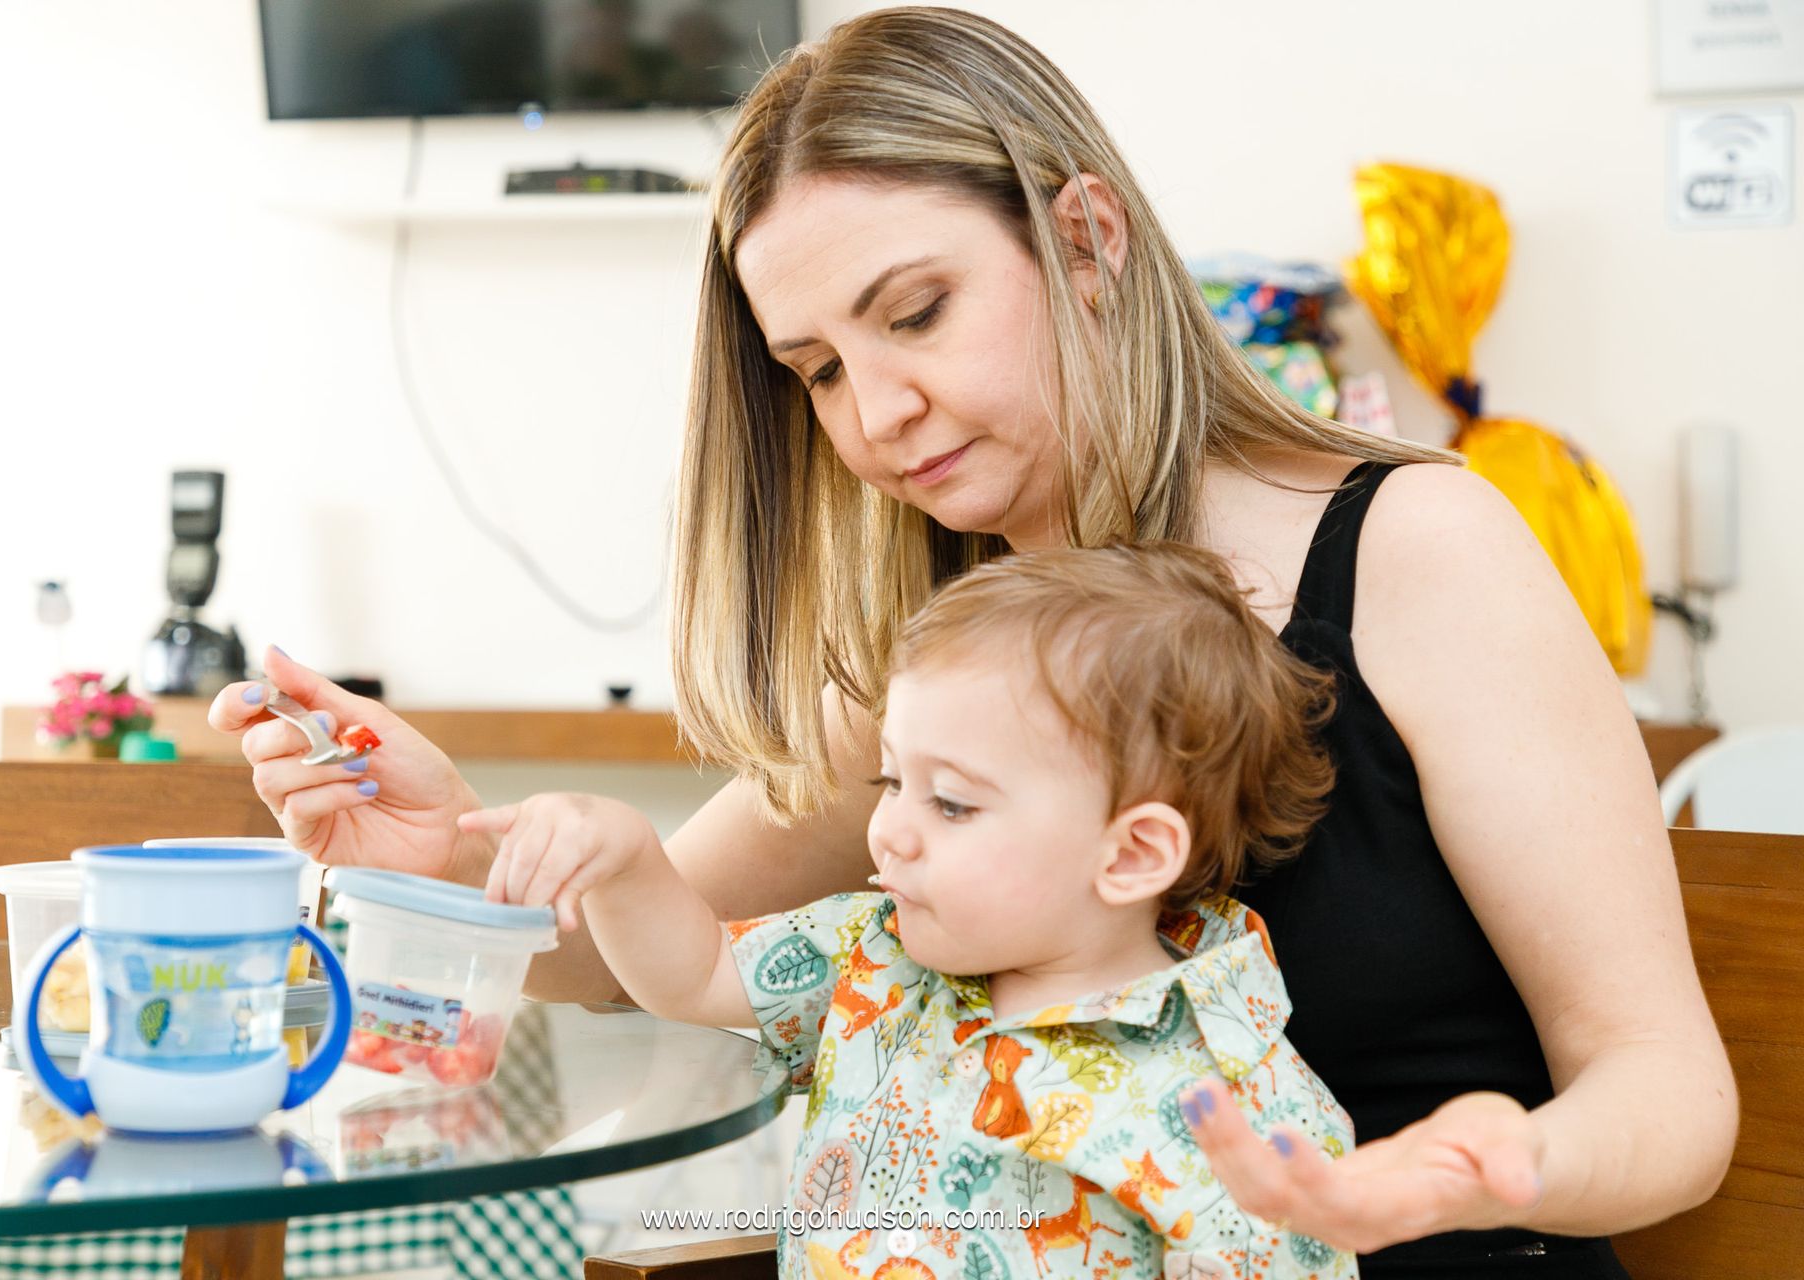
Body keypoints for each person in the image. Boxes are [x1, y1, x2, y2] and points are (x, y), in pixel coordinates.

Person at [210, 8, 1736, 1274]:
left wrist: (1461, 1174)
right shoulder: (944, 652)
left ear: (1086, 239)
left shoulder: (1418, 548)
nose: (874, 418)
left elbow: (1668, 1097)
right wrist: (442, 863)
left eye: (919, 313)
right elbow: (640, 953)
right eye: (816, 368)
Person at [465, 544, 1360, 1279]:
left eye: (954, 804)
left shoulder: (1245, 1116)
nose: (888, 831)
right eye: (893, 780)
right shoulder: (875, 953)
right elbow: (689, 972)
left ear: (1129, 854)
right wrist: (621, 857)